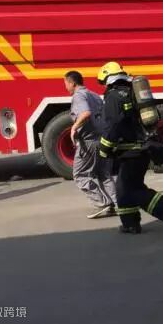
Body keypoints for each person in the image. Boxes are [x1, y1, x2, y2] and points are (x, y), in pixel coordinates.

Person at [96, 62, 163, 235]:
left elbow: (113, 126)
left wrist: (104, 149)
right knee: (124, 189)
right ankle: (130, 224)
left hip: (131, 153)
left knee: (131, 190)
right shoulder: (132, 92)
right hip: (141, 149)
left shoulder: (113, 96)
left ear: (108, 79)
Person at [64, 71, 117, 219]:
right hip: (102, 139)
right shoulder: (94, 95)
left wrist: (74, 127)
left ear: (72, 83)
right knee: (103, 174)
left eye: (66, 84)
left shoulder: (79, 96)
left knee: (80, 175)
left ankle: (102, 204)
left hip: (89, 142)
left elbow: (85, 113)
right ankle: (118, 204)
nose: (66, 87)